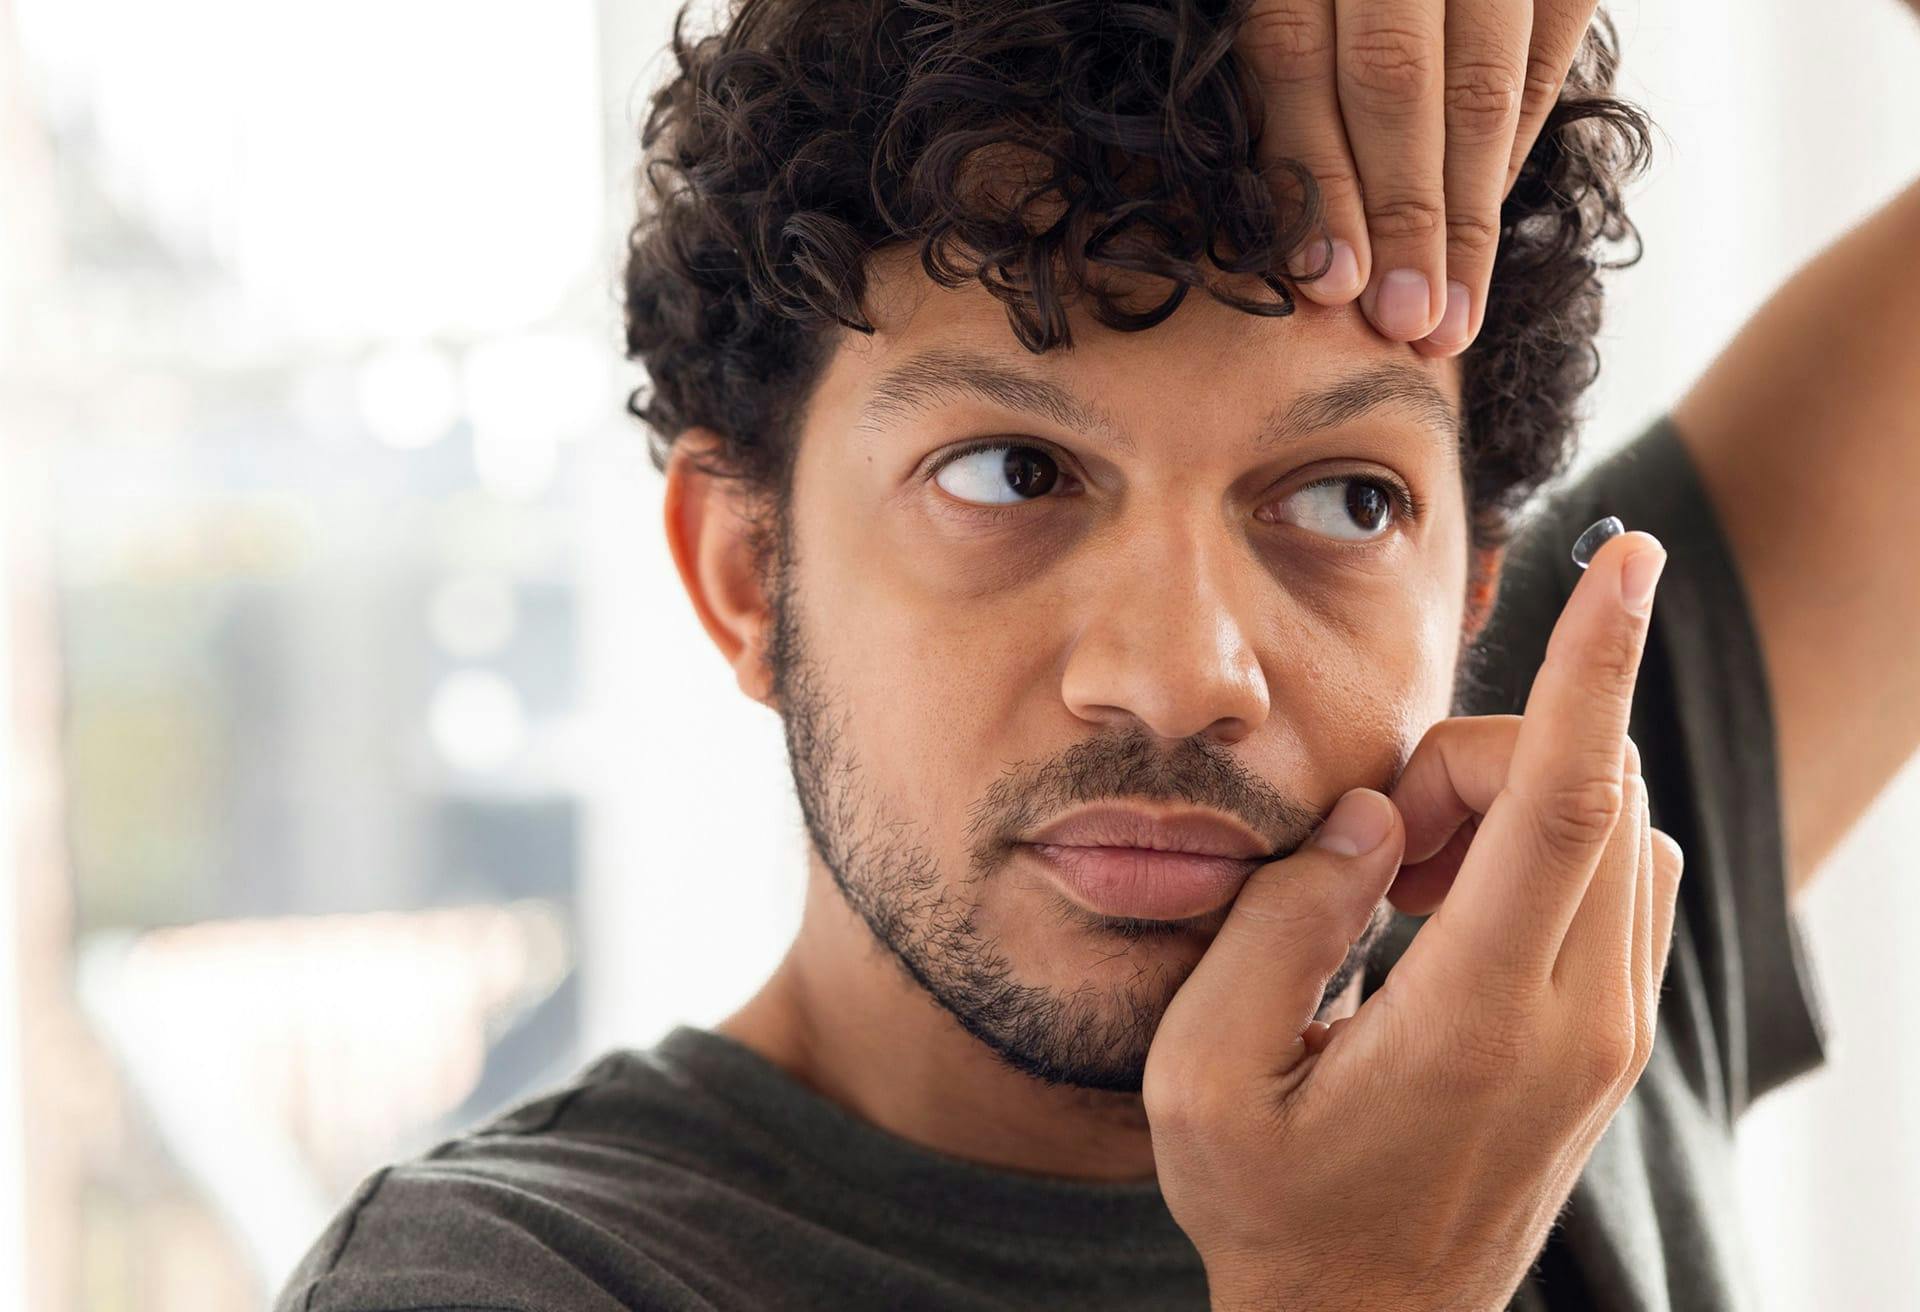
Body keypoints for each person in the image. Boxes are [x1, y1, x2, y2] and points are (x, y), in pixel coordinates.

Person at [277, 0, 1920, 1308]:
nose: (1181, 670)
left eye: (1345, 499)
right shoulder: (506, 1281)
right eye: (1011, 474)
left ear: (1473, 601)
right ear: (743, 572)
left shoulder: (1561, 920)